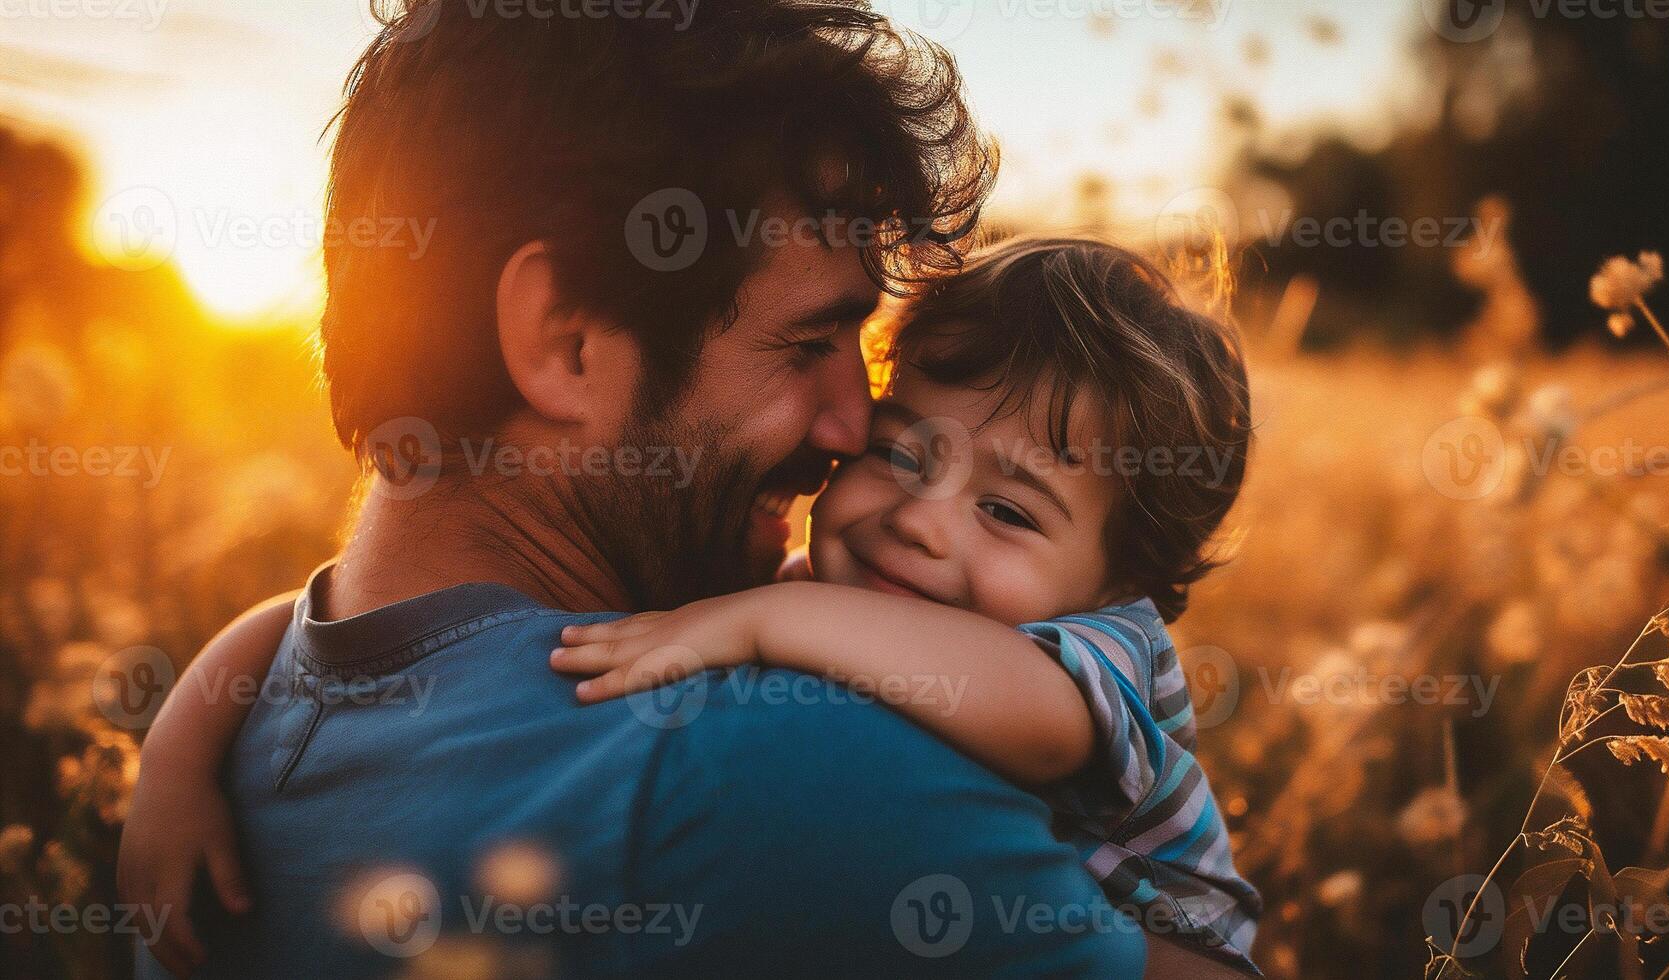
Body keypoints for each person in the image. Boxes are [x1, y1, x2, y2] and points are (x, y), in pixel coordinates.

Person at [117, 2, 1247, 976]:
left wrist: (186, 725)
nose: (856, 426)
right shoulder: (774, 764)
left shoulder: (265, 729)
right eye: (808, 341)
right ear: (565, 341)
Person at [549, 237, 1262, 972]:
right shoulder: (804, 594)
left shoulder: (1109, 649)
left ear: (1121, 582)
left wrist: (762, 622)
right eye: (897, 455)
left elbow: (1039, 720)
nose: (919, 519)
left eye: (1007, 513)